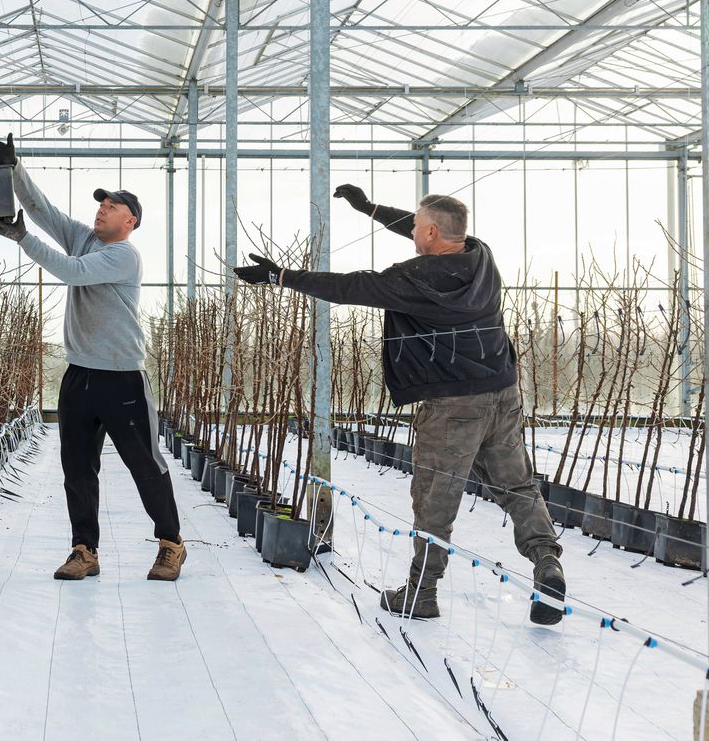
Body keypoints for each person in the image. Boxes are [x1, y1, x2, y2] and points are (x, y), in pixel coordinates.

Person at [232, 185, 566, 624]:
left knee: (435, 500)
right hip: (502, 392)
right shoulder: (481, 257)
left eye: (414, 226)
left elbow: (352, 285)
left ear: (429, 232)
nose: (409, 229)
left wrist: (280, 277)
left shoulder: (417, 280)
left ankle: (421, 593)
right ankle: (547, 561)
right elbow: (432, 222)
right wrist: (370, 210)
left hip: (450, 405)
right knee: (517, 485)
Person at [0, 133, 186, 581]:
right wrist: (14, 167)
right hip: (79, 377)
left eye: (112, 206)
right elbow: (41, 209)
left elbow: (70, 272)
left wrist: (22, 240)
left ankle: (171, 544)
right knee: (77, 467)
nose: (102, 209)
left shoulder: (123, 256)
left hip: (122, 378)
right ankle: (83, 550)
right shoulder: (84, 237)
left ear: (130, 222)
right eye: (101, 203)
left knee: (144, 464)